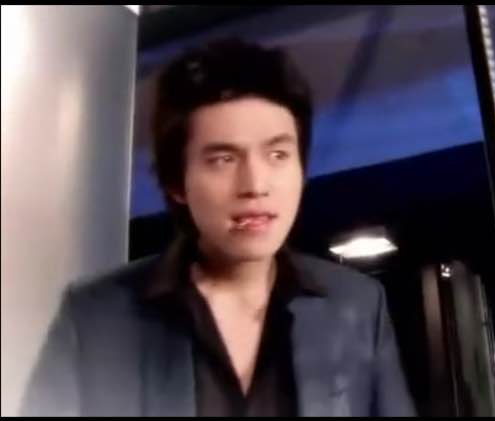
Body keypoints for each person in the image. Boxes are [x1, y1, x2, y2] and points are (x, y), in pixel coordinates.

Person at [21, 38, 415, 417]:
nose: (255, 185)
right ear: (177, 183)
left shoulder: (358, 306)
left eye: (278, 154)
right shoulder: (95, 318)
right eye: (223, 159)